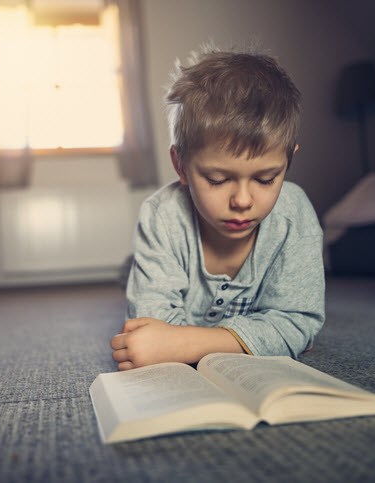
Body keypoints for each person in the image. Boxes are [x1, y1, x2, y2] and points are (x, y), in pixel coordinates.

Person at [111, 47, 325, 371]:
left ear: (289, 161)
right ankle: (130, 269)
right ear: (181, 166)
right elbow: (149, 327)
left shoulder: (294, 215)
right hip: (166, 252)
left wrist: (180, 343)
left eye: (266, 179)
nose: (242, 200)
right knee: (138, 274)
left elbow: (298, 323)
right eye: (217, 179)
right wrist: (264, 337)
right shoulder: (162, 216)